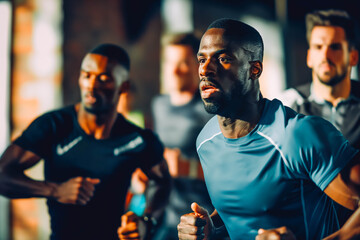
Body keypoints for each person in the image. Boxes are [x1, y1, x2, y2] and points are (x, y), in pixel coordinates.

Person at [176, 18, 360, 239]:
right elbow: (245, 205)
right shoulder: (206, 140)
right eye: (201, 59)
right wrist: (210, 227)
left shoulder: (298, 135)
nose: (205, 69)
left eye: (223, 58)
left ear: (254, 69)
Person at [0, 43, 171, 240]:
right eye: (86, 75)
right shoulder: (54, 126)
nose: (91, 85)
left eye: (104, 79)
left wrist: (146, 221)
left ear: (123, 87)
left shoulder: (137, 139)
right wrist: (55, 190)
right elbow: (2, 174)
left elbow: (162, 181)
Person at [279, 9, 360, 226]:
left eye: (335, 47)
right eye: (318, 47)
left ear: (352, 55)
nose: (325, 56)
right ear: (309, 56)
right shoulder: (285, 106)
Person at [150, 33, 215, 240]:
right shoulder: (159, 105)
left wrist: (189, 168)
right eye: (169, 62)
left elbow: (232, 168)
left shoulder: (209, 109)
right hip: (165, 216)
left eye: (183, 63)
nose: (174, 70)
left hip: (200, 217)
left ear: (197, 66)